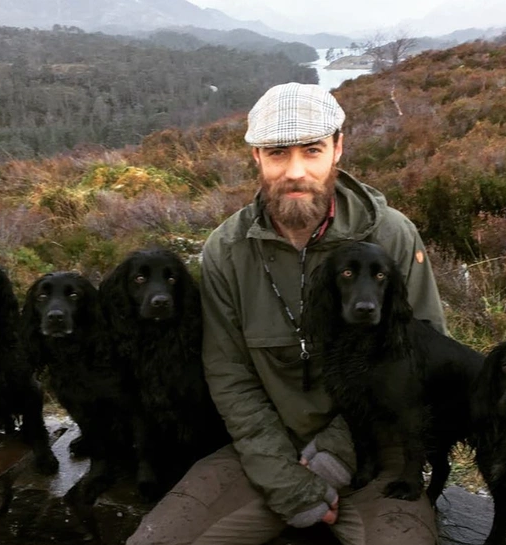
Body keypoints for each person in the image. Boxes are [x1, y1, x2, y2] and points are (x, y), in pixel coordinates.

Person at [126, 82, 447, 545]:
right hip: (266, 450)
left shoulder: (392, 237)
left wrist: (337, 452)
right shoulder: (227, 251)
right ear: (256, 157)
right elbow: (229, 375)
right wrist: (285, 480)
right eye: (278, 153)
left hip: (380, 451)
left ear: (338, 149)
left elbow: (422, 361)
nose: (296, 172)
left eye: (312, 150)